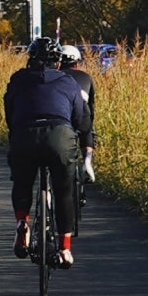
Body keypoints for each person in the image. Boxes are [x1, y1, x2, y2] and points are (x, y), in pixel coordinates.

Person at [4, 35, 91, 268]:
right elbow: (80, 119)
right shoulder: (68, 82)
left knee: (22, 183)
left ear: (30, 59)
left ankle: (22, 223)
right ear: (58, 62)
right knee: (64, 190)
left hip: (25, 136)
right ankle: (65, 249)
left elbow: (10, 114)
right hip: (60, 137)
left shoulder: (18, 79)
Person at [59, 43, 98, 198]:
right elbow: (91, 105)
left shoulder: (55, 77)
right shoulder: (86, 77)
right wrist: (90, 127)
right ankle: (87, 160)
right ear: (77, 62)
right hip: (82, 116)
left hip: (60, 119)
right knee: (86, 126)